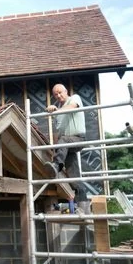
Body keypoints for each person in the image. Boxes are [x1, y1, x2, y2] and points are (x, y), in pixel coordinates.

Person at [44, 84, 90, 213]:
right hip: (67, 146)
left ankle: (56, 165)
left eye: (60, 92)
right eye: (55, 94)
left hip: (78, 139)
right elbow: (59, 131)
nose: (58, 96)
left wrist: (57, 110)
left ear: (66, 91)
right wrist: (54, 110)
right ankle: (84, 208)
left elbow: (72, 107)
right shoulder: (58, 110)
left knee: (63, 140)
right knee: (73, 177)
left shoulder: (74, 98)